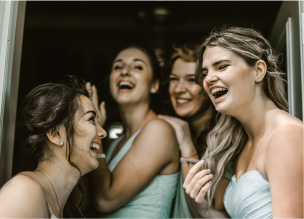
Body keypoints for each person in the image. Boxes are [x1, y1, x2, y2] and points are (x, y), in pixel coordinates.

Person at [183, 26, 303, 218]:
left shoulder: (286, 135)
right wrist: (203, 209)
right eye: (205, 73)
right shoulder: (244, 143)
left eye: (222, 66)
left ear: (258, 71)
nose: (209, 79)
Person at [0, 76, 107, 218]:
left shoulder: (64, 208)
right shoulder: (24, 191)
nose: (103, 132)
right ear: (56, 134)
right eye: (91, 119)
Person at [87, 45, 179, 218]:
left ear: (154, 85)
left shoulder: (158, 130)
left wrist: (94, 132)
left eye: (137, 67)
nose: (125, 72)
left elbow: (105, 200)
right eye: (117, 67)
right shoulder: (114, 143)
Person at [159, 44, 231, 218]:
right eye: (174, 79)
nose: (178, 89)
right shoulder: (165, 130)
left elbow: (214, 205)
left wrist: (187, 145)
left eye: (191, 80)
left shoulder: (227, 138)